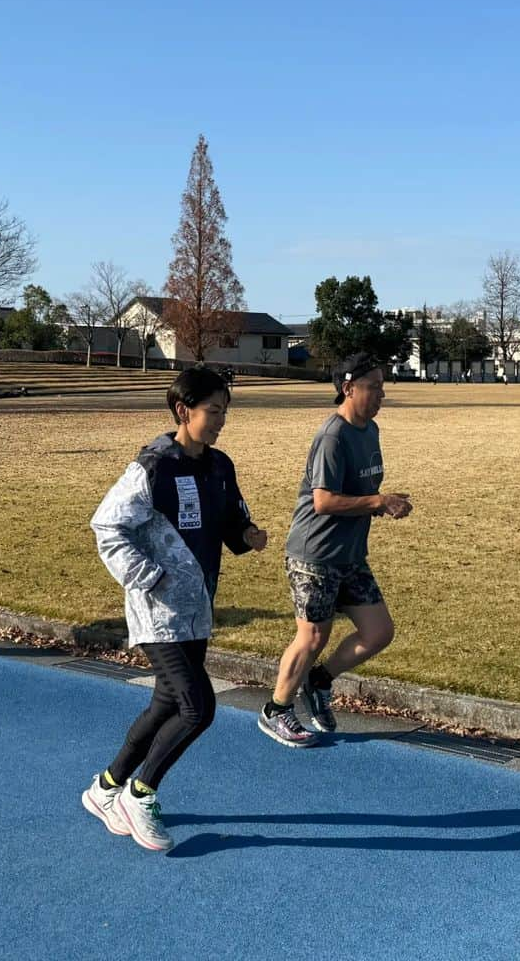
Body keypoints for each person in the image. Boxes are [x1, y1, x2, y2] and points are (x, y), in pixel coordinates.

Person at [83, 367, 267, 852]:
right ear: (184, 411)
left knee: (166, 702)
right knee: (198, 707)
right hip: (156, 610)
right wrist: (149, 576)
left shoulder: (220, 465)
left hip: (197, 605)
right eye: (213, 411)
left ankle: (105, 788)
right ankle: (139, 794)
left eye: (226, 410)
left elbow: (230, 520)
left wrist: (247, 536)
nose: (221, 420)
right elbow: (107, 526)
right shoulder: (153, 466)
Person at [258, 353, 411, 747]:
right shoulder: (333, 436)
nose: (381, 393)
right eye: (373, 386)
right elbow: (323, 501)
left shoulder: (369, 430)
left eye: (382, 385)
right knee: (312, 637)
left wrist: (382, 503)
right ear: (348, 388)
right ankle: (276, 709)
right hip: (315, 554)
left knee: (378, 632)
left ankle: (319, 681)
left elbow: (358, 492)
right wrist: (377, 502)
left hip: (349, 555)